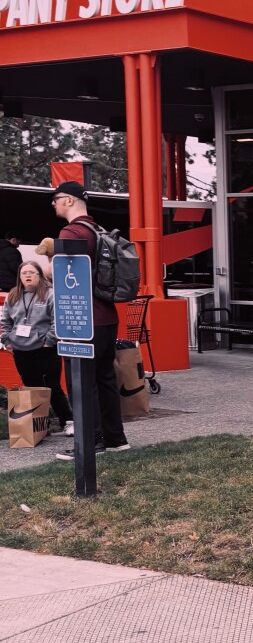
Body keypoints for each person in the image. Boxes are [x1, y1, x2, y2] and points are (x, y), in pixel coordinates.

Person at [48, 180, 130, 456]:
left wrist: (46, 259)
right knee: (105, 379)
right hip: (107, 317)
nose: (53, 203)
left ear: (70, 200)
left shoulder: (71, 232)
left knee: (81, 383)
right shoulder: (98, 230)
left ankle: (91, 442)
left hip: (82, 321)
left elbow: (59, 274)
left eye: (56, 198)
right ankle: (115, 439)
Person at [1, 261, 74, 432]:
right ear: (19, 277)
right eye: (24, 273)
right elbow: (6, 321)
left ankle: (68, 421)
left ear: (39, 275)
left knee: (52, 386)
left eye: (32, 272)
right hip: (20, 349)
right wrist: (7, 340)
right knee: (31, 387)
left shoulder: (50, 294)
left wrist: (49, 341)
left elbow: (57, 319)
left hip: (45, 348)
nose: (27, 275)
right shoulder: (13, 295)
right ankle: (40, 424)